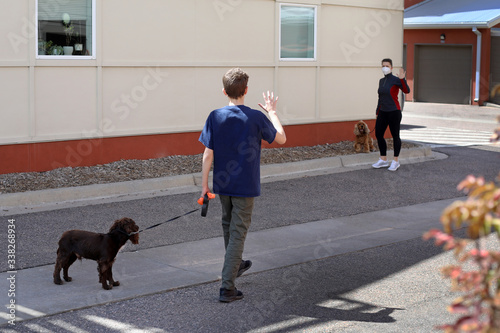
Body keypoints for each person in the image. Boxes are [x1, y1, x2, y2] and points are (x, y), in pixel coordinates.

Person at [199, 68, 286, 302]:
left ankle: (235, 266)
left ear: (224, 91)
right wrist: (272, 112)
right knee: (238, 232)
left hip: (223, 184)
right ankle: (227, 287)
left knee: (229, 226)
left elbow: (208, 154)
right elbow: (281, 138)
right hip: (245, 186)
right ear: (246, 90)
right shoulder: (256, 118)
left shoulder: (214, 116)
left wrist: (204, 185)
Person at [372, 58, 410, 171]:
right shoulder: (381, 81)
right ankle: (383, 159)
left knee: (395, 136)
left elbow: (407, 91)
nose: (385, 67)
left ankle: (395, 161)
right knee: (379, 134)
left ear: (391, 68)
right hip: (383, 112)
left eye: (387, 66)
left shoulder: (396, 80)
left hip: (394, 112)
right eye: (383, 65)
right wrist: (377, 112)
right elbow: (380, 98)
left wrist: (403, 80)